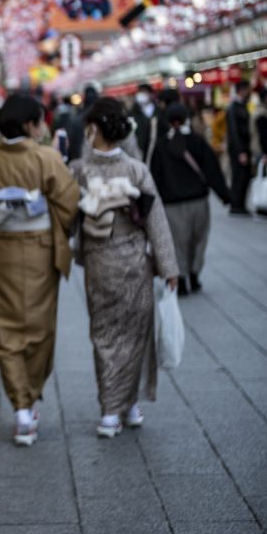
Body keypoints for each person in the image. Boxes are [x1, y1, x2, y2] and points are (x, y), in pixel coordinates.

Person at [70, 98, 178, 437]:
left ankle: (111, 409)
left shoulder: (79, 171)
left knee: (105, 336)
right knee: (135, 333)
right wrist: (168, 266)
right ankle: (128, 405)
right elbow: (156, 221)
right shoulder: (135, 169)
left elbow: (67, 220)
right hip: (134, 262)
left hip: (100, 261)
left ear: (93, 129)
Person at [0, 95, 80, 446]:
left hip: (4, 244)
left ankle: (20, 408)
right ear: (29, 125)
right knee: (39, 326)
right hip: (38, 248)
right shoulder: (45, 156)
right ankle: (29, 396)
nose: (43, 127)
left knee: (6, 326)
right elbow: (68, 202)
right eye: (39, 121)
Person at [150, 103, 231, 295]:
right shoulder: (197, 142)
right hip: (198, 201)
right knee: (198, 240)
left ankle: (181, 278)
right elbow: (212, 171)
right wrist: (226, 196)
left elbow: (154, 176)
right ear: (187, 119)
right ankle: (194, 275)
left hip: (172, 204)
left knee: (177, 243)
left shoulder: (161, 145)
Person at [226, 81, 253, 215]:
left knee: (244, 176)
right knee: (239, 176)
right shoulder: (233, 107)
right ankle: (236, 205)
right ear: (241, 90)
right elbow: (234, 131)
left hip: (244, 147)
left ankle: (240, 204)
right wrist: (241, 151)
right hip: (238, 149)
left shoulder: (243, 106)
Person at [66, 83, 98, 161]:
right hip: (99, 161)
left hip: (80, 160)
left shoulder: (78, 118)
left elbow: (72, 144)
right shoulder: (103, 116)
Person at [129, 83, 156, 157]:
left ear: (151, 94)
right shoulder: (132, 113)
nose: (141, 95)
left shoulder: (158, 111)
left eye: (144, 92)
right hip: (140, 151)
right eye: (140, 92)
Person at [251, 87, 267, 168]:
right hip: (262, 152)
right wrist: (265, 153)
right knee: (265, 178)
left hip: (261, 151)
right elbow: (263, 135)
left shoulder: (263, 111)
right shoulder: (262, 114)